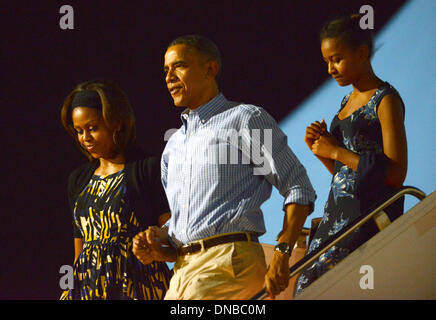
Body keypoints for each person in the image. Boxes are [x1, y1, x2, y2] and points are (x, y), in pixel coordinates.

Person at [132, 35, 316, 300]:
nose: (169, 76)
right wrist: (160, 246)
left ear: (210, 69)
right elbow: (190, 224)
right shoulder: (173, 146)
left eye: (179, 66)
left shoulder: (245, 119)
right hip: (183, 273)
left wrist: (282, 252)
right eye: (165, 70)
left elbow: (298, 186)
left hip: (230, 263)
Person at [295, 14, 408, 295]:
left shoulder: (385, 100)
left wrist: (336, 150)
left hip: (364, 221)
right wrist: (323, 152)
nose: (331, 69)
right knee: (307, 290)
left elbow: (395, 174)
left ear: (362, 52)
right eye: (327, 62)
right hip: (334, 220)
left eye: (336, 59)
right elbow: (348, 176)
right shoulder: (345, 102)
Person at [59, 80, 172, 299]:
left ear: (117, 123)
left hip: (139, 287)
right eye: (79, 131)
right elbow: (79, 250)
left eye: (93, 128)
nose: (85, 138)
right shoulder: (78, 180)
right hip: (88, 289)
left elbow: (171, 232)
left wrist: (152, 243)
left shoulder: (147, 169)